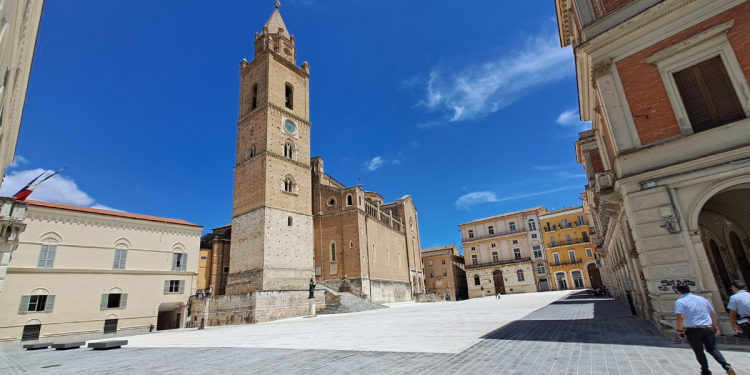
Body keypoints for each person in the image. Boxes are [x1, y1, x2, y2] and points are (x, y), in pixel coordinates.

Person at [674, 285, 736, 375]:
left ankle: (705, 371)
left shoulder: (680, 301)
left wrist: (680, 330)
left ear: (679, 292)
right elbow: (713, 313)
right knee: (713, 348)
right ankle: (726, 366)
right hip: (708, 327)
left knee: (698, 350)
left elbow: (680, 316)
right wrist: (714, 326)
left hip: (693, 330)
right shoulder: (702, 299)